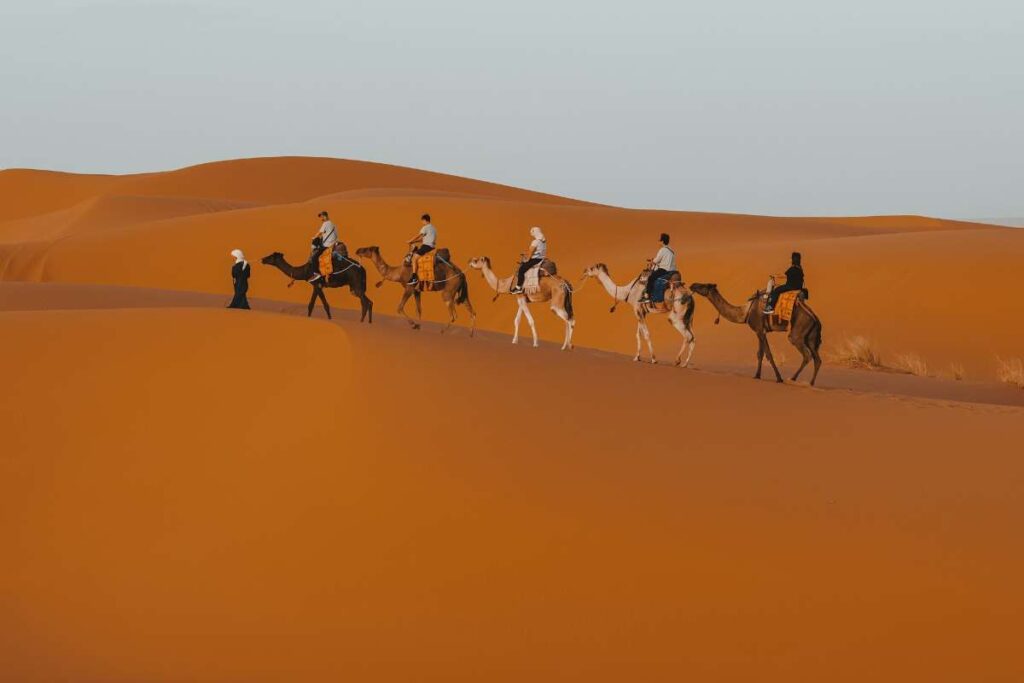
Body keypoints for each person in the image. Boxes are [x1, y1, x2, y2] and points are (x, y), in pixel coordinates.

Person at [511, 226, 547, 294]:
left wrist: (527, 259)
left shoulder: (535, 241)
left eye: (532, 233)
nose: (532, 234)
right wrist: (526, 253)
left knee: (521, 270)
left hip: (535, 260)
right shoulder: (543, 241)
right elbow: (538, 251)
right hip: (541, 258)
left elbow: (531, 251)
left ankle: (518, 288)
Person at [641, 233, 676, 303]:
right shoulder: (672, 250)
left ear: (662, 241)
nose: (659, 242)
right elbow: (665, 260)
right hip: (673, 270)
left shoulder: (662, 250)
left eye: (660, 241)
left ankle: (647, 296)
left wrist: (652, 261)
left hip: (665, 270)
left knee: (651, 278)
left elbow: (656, 260)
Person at [407, 213, 437, 286]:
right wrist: (414, 241)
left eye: (422, 221)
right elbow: (423, 239)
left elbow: (419, 235)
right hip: (431, 247)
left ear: (425, 220)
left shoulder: (425, 227)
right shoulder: (433, 228)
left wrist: (410, 240)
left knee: (414, 258)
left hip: (426, 247)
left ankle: (414, 277)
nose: (422, 223)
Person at [309, 210, 338, 282]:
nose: (321, 219)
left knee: (314, 257)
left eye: (322, 217)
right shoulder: (333, 224)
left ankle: (316, 273)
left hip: (327, 244)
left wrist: (314, 237)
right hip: (333, 243)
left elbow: (320, 232)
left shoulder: (325, 223)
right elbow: (336, 235)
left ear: (325, 216)